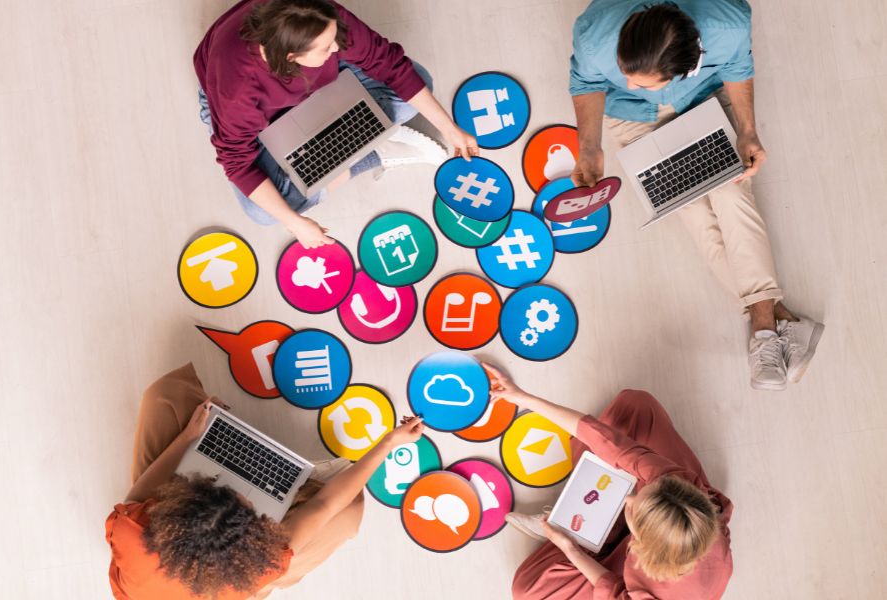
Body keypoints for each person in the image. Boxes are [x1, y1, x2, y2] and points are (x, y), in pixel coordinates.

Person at [567, 0, 823, 391]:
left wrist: (748, 130)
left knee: (732, 194)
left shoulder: (729, 22)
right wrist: (589, 145)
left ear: (685, 67)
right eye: (625, 72)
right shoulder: (594, 34)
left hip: (701, 99)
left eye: (641, 81)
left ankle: (763, 325)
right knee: (691, 213)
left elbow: (738, 68)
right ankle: (773, 320)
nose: (629, 84)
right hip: (630, 117)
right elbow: (587, 83)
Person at [105, 363, 425, 599]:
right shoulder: (255, 568)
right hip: (232, 585)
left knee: (165, 396)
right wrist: (388, 444)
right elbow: (326, 504)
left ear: (178, 506)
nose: (246, 494)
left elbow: (142, 490)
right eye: (252, 513)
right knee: (348, 509)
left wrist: (191, 434)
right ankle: (273, 582)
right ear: (248, 547)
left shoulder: (131, 528)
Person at [194, 0, 478, 248]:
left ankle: (351, 144)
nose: (339, 45)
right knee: (264, 213)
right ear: (292, 56)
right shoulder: (237, 90)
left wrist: (449, 128)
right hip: (252, 114)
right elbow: (237, 163)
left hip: (312, 81)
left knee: (419, 81)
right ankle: (375, 153)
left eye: (334, 37)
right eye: (327, 47)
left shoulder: (317, 16)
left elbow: (390, 65)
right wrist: (296, 223)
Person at [481, 364, 733, 600]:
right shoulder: (674, 481)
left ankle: (587, 531)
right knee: (635, 406)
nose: (630, 496)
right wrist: (523, 397)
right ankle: (593, 523)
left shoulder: (659, 586)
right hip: (663, 532)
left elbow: (614, 592)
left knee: (528, 590)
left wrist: (571, 549)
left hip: (638, 573)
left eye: (634, 508)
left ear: (641, 544)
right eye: (645, 489)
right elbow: (609, 442)